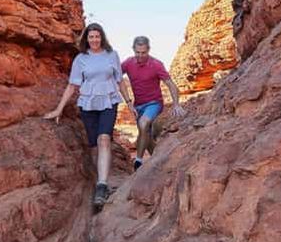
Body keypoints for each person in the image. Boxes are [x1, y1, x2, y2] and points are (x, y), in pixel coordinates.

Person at [44, 23, 134, 208]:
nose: (94, 40)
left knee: (104, 139)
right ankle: (98, 178)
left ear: (102, 37)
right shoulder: (81, 59)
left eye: (97, 36)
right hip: (88, 104)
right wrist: (59, 109)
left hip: (108, 101)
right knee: (94, 145)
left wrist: (129, 102)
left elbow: (120, 81)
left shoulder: (112, 55)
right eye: (91, 37)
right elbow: (72, 85)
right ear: (87, 39)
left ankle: (102, 185)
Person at [121, 36, 185, 171]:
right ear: (133, 50)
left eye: (143, 53)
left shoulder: (156, 65)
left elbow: (170, 84)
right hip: (138, 105)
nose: (140, 56)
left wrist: (176, 104)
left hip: (154, 103)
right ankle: (157, 163)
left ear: (148, 50)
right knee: (146, 136)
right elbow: (114, 75)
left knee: (143, 123)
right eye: (137, 52)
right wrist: (128, 102)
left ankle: (138, 161)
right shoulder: (128, 63)